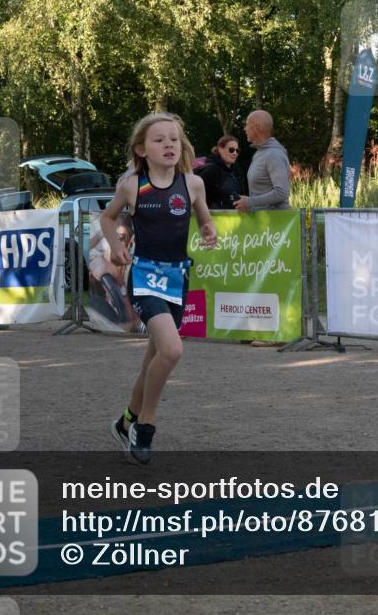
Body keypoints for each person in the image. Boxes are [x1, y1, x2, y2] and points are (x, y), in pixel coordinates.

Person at [101, 111, 218, 464]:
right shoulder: (132, 185)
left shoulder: (192, 183)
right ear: (141, 149)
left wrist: (209, 229)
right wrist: (115, 246)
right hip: (145, 276)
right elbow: (108, 218)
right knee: (172, 350)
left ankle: (124, 423)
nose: (169, 144)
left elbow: (204, 217)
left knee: (154, 360)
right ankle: (145, 426)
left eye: (174, 138)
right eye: (159, 139)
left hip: (177, 278)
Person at [234, 110, 290, 212]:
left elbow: (281, 193)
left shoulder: (274, 154)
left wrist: (249, 202)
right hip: (263, 224)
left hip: (277, 224)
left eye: (247, 125)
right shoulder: (259, 153)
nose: (244, 129)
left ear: (257, 127)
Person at [198, 135, 243, 210]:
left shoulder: (237, 171)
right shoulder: (212, 170)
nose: (235, 153)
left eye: (237, 150)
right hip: (214, 217)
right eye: (231, 150)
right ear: (220, 149)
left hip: (234, 218)